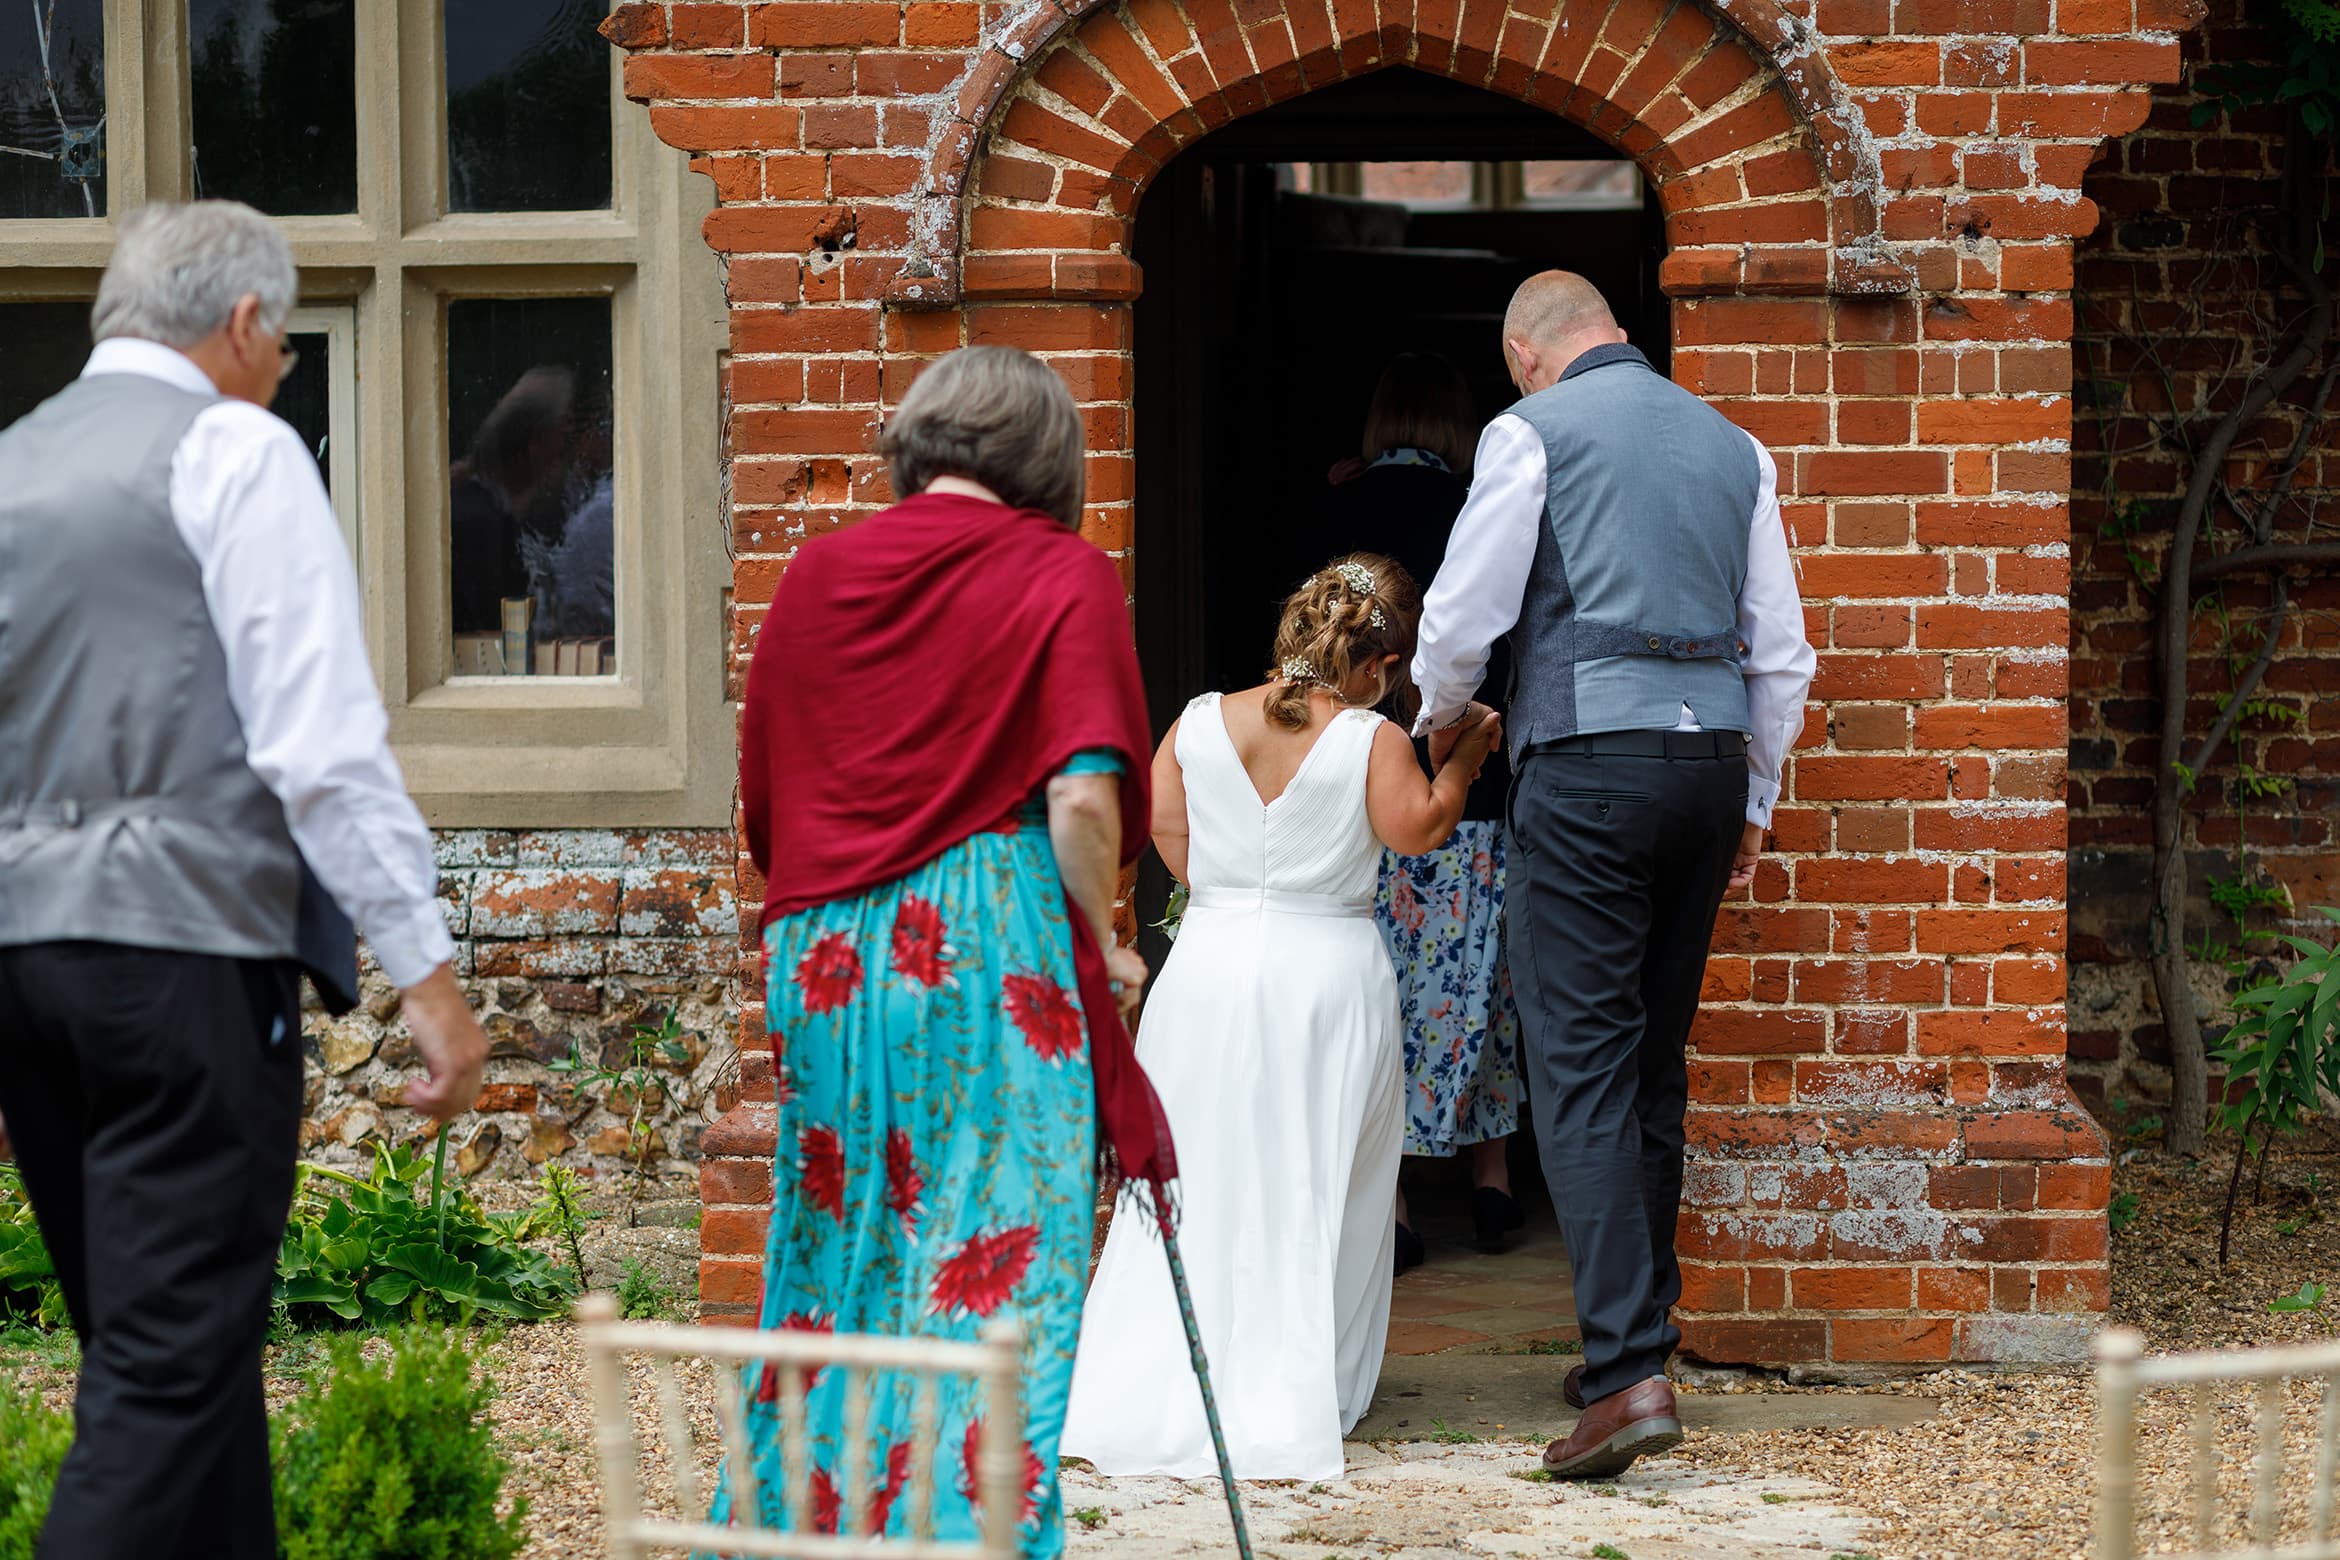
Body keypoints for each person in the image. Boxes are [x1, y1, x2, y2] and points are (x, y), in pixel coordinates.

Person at [0, 199, 488, 1560]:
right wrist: (432, 986)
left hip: (21, 971)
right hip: (182, 964)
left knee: (175, 1363)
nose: (280, 374)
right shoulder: (236, 452)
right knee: (166, 1371)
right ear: (243, 324)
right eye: (280, 347)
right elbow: (321, 746)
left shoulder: (11, 463)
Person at [728, 346, 1154, 1557]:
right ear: (1047, 462)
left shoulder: (814, 575)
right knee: (993, 1265)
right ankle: (969, 1536)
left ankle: (807, 1526)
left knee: (836, 1263)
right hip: (984, 941)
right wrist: (1098, 945)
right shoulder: (1059, 571)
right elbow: (1080, 800)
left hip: (821, 951)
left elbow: (766, 803)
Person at [1412, 271, 1815, 1479]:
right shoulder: (1734, 445)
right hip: (1703, 769)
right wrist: (1756, 795)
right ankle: (1633, 1351)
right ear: (1618, 335)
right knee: (1650, 1063)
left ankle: (1627, 1373)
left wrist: (1440, 724)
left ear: (1525, 354)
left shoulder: (1527, 431)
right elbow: (1780, 653)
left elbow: (1459, 617)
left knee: (1579, 1065)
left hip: (1586, 764)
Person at [1061, 555, 1502, 1482]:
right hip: (1326, 979)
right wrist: (1458, 763)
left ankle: (1155, 1379)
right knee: (1316, 1178)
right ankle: (1302, 1391)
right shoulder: (1373, 741)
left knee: (1192, 1179)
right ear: (1379, 664)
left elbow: (1157, 833)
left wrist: (1225, 894)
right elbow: (1417, 828)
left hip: (1208, 973)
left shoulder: (1195, 722)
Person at [1312, 351, 1527, 1269]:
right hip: (1475, 773)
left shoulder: (1335, 512)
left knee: (1383, 985)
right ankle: (1493, 1185)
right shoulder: (1482, 511)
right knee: (1482, 980)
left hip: (1363, 782)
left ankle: (1394, 1205)